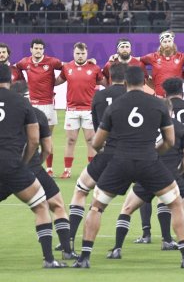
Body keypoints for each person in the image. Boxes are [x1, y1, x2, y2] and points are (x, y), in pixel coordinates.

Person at [73, 66, 184, 269]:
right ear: (145, 83)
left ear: (125, 83)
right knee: (176, 204)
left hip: (120, 161)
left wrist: (112, 154)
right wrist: (155, 153)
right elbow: (169, 140)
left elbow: (96, 143)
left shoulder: (115, 106)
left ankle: (84, 257)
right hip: (149, 162)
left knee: (97, 207)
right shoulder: (158, 104)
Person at [106, 99, 184, 261]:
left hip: (147, 174)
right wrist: (179, 172)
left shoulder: (145, 126)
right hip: (171, 176)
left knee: (127, 209)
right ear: (172, 112)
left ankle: (117, 249)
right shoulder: (180, 127)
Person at [0, 65, 65, 268]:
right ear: (10, 79)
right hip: (13, 164)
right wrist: (23, 163)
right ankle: (49, 259)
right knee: (40, 206)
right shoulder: (22, 103)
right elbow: (35, 140)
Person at [9, 81, 78, 260]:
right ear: (28, 96)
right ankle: (66, 252)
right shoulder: (37, 114)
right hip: (30, 169)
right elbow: (47, 147)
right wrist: (35, 163)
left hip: (5, 167)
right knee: (56, 205)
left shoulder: (6, 114)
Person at [66, 63, 128, 249]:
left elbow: (96, 129)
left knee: (81, 191)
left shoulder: (99, 96)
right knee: (146, 193)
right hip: (135, 154)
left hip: (107, 153)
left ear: (109, 78)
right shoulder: (132, 97)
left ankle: (69, 239)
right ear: (127, 79)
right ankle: (160, 236)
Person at [55, 42, 105, 179]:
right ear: (73, 53)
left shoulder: (94, 68)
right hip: (71, 110)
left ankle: (92, 171)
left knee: (90, 140)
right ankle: (67, 170)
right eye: (78, 53)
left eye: (83, 53)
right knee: (71, 140)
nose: (80, 56)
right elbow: (57, 81)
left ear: (87, 54)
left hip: (89, 109)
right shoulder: (67, 67)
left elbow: (105, 82)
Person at [16, 39, 64, 177]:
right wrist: (23, 82)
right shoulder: (25, 62)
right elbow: (17, 68)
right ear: (31, 49)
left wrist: (55, 83)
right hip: (32, 105)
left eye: (41, 48)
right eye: (36, 48)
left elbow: (66, 69)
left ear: (44, 50)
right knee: (30, 138)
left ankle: (49, 169)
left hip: (48, 104)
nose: (38, 51)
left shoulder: (52, 61)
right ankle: (28, 166)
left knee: (47, 138)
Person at [139, 31, 184, 97]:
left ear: (173, 43)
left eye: (169, 41)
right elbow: (138, 61)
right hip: (159, 97)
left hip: (176, 97)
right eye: (164, 42)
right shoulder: (152, 57)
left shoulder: (182, 57)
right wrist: (146, 77)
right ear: (161, 44)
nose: (167, 44)